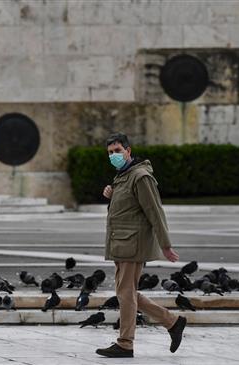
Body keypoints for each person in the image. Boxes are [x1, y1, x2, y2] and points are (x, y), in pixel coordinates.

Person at [96, 132, 186, 358]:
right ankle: (172, 322)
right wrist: (112, 194)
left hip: (132, 245)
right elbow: (127, 209)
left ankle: (125, 343)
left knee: (125, 294)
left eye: (117, 151)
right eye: (110, 152)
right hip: (122, 243)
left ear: (128, 150)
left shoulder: (141, 177)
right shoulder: (123, 176)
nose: (113, 155)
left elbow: (155, 212)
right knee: (126, 293)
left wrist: (166, 245)